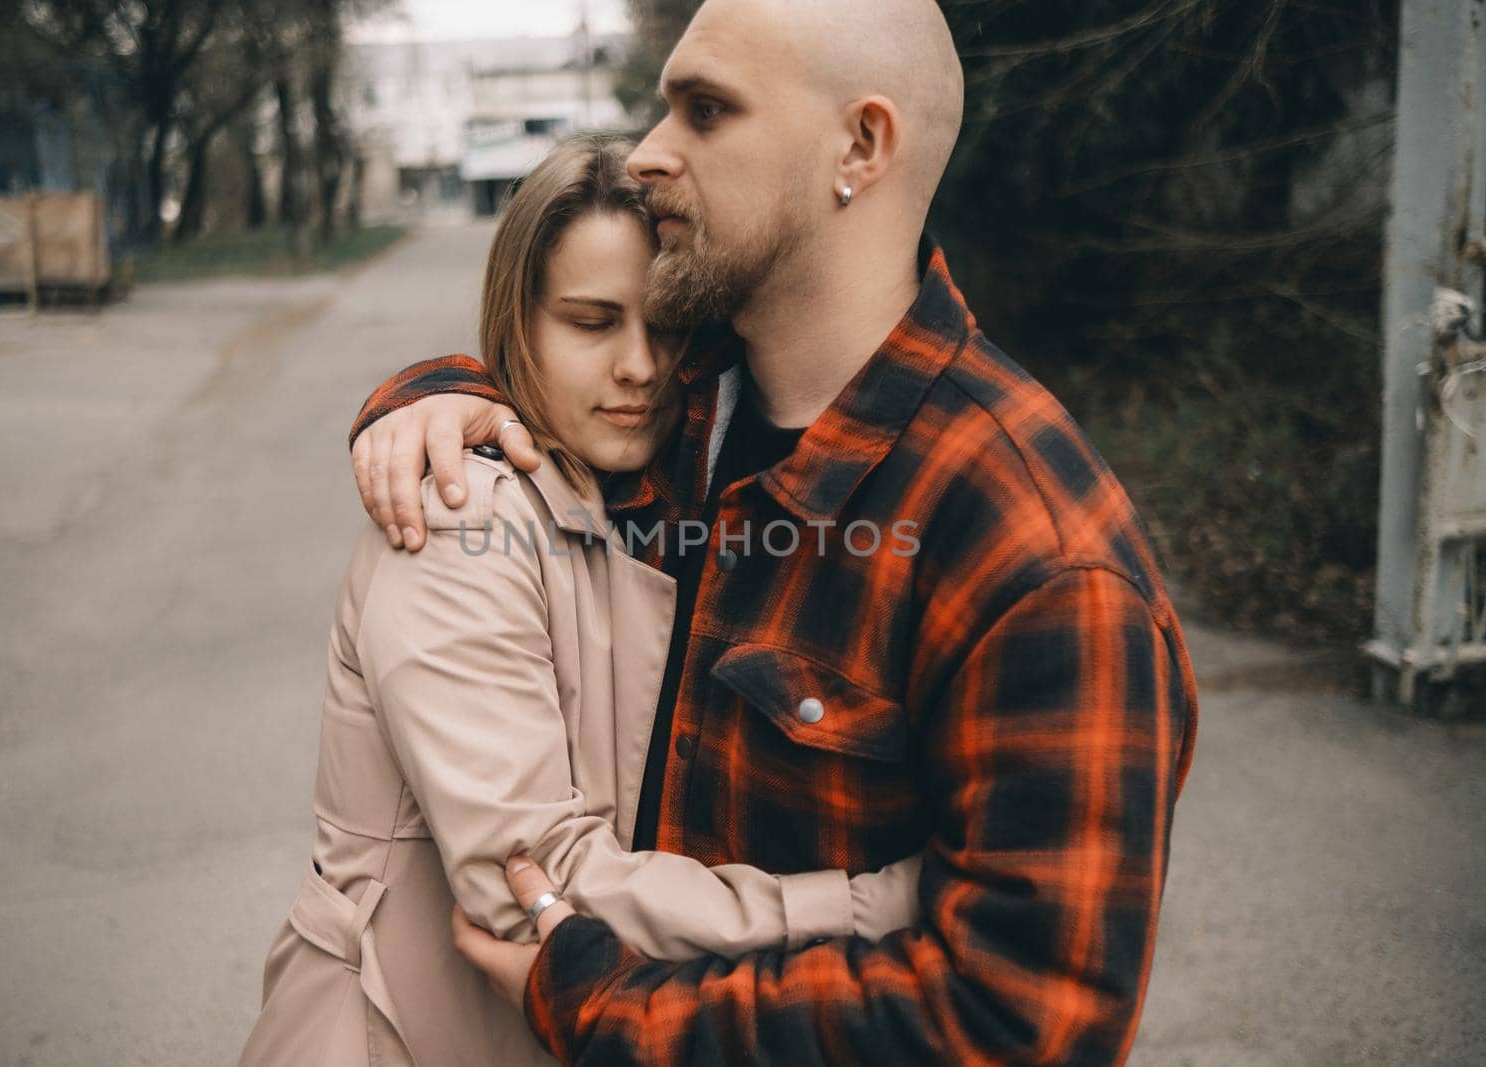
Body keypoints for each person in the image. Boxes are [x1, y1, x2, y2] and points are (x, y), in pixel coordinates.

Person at [349, 1, 1201, 1064]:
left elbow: (1016, 1023)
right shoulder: (685, 408)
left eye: (705, 112)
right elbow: (546, 388)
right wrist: (432, 397)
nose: (650, 154)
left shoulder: (1035, 554)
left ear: (860, 146)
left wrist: (613, 1014)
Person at [238, 133, 921, 1067]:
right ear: (521, 324)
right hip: (393, 1036)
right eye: (592, 322)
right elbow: (533, 880)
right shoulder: (457, 519)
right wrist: (861, 905)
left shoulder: (655, 507)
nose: (639, 365)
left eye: (664, 325)